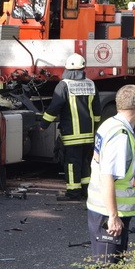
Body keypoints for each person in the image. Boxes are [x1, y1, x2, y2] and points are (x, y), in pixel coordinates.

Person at [86, 84, 135, 264]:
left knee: (109, 266)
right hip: (109, 214)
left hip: (104, 209)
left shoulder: (110, 124)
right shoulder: (120, 135)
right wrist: (113, 216)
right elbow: (108, 176)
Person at [41, 53, 101, 201]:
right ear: (83, 68)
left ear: (67, 68)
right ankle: (87, 191)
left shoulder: (64, 85)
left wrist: (43, 124)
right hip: (88, 134)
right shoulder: (90, 84)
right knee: (85, 162)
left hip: (72, 134)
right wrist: (95, 126)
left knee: (72, 163)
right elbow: (97, 110)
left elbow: (55, 107)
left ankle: (73, 193)